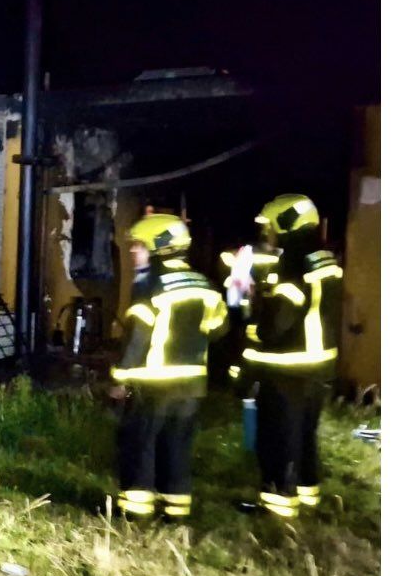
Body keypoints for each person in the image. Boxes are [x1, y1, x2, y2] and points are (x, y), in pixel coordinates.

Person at [111, 213, 228, 520]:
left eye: (139, 246)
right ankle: (176, 509)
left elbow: (138, 336)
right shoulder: (205, 285)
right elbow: (219, 330)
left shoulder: (151, 285)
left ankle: (135, 511)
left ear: (159, 247)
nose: (133, 252)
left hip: (154, 382)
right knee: (177, 445)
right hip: (192, 385)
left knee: (141, 443)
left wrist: (120, 377)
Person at [234, 194, 342, 518]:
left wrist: (257, 319)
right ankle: (308, 494)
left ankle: (278, 506)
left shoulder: (291, 264)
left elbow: (279, 321)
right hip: (318, 365)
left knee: (278, 437)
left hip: (286, 366)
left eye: (270, 226)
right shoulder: (324, 259)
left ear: (286, 224)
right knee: (305, 436)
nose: (267, 233)